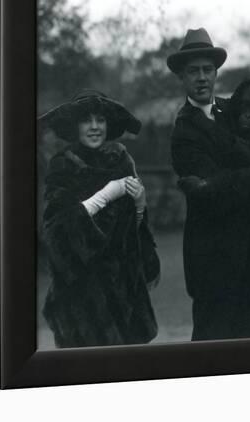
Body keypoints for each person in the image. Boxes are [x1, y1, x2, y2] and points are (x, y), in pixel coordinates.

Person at [168, 28, 250, 341]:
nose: (201, 78)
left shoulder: (233, 112)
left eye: (207, 70)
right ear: (182, 77)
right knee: (210, 354)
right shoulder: (183, 132)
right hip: (212, 261)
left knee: (248, 349)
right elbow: (214, 193)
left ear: (216, 73)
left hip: (249, 256)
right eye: (193, 71)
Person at [38, 89, 160, 348]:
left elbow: (131, 235)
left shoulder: (122, 162)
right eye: (86, 120)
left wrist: (139, 207)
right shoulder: (63, 167)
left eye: (101, 120)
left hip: (125, 294)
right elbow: (55, 235)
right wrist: (103, 197)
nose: (94, 127)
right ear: (75, 126)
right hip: (82, 297)